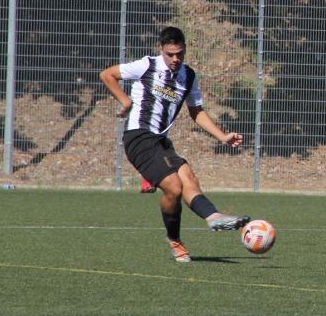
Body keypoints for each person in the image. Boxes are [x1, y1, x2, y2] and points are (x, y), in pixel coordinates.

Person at [100, 27, 250, 263]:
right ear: (162, 50)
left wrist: (222, 136)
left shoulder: (188, 76)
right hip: (138, 136)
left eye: (179, 53)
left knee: (188, 177)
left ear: (185, 49)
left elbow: (196, 111)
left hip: (161, 141)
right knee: (174, 187)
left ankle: (213, 216)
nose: (175, 59)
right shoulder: (147, 65)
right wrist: (125, 100)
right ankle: (175, 241)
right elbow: (107, 74)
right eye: (170, 54)